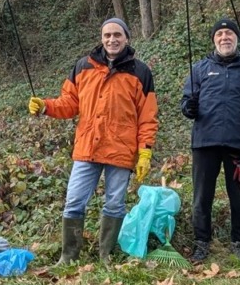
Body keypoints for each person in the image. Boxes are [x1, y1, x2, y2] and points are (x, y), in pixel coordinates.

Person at [28, 18, 158, 264]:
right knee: (74, 201)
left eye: (117, 35)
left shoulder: (140, 72)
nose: (112, 39)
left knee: (115, 205)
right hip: (87, 147)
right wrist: (45, 106)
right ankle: (68, 258)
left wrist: (145, 152)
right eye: (107, 35)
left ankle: (105, 257)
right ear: (101, 38)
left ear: (126, 38)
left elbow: (148, 117)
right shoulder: (82, 67)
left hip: (121, 150)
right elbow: (68, 104)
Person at [180, 18, 240, 261]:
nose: (224, 37)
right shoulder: (200, 69)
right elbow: (185, 103)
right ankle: (201, 243)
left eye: (229, 34)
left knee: (239, 198)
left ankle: (239, 242)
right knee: (201, 197)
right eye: (220, 34)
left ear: (237, 38)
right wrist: (189, 108)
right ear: (214, 39)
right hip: (205, 143)